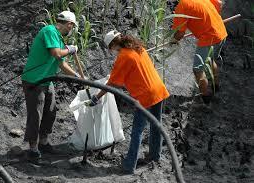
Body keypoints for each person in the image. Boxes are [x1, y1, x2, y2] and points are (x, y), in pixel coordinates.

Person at [89, 30, 170, 174]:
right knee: (156, 124)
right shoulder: (139, 48)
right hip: (159, 88)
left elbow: (112, 84)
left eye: (111, 48)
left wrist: (97, 97)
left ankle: (129, 165)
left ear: (113, 44)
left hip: (145, 95)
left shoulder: (124, 56)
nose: (112, 51)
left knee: (137, 130)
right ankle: (154, 156)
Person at [21, 11, 80, 159]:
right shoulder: (49, 30)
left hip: (47, 80)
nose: (71, 30)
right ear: (69, 24)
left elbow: (61, 64)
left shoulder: (58, 39)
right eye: (72, 27)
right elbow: (57, 54)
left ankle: (44, 142)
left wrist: (77, 77)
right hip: (35, 81)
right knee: (36, 115)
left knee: (51, 111)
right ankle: (33, 149)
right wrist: (70, 50)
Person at [171, 0, 227, 105]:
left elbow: (180, 33)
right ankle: (216, 86)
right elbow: (219, 4)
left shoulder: (182, 5)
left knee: (197, 70)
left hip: (209, 37)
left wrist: (173, 41)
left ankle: (206, 98)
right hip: (221, 31)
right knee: (210, 59)